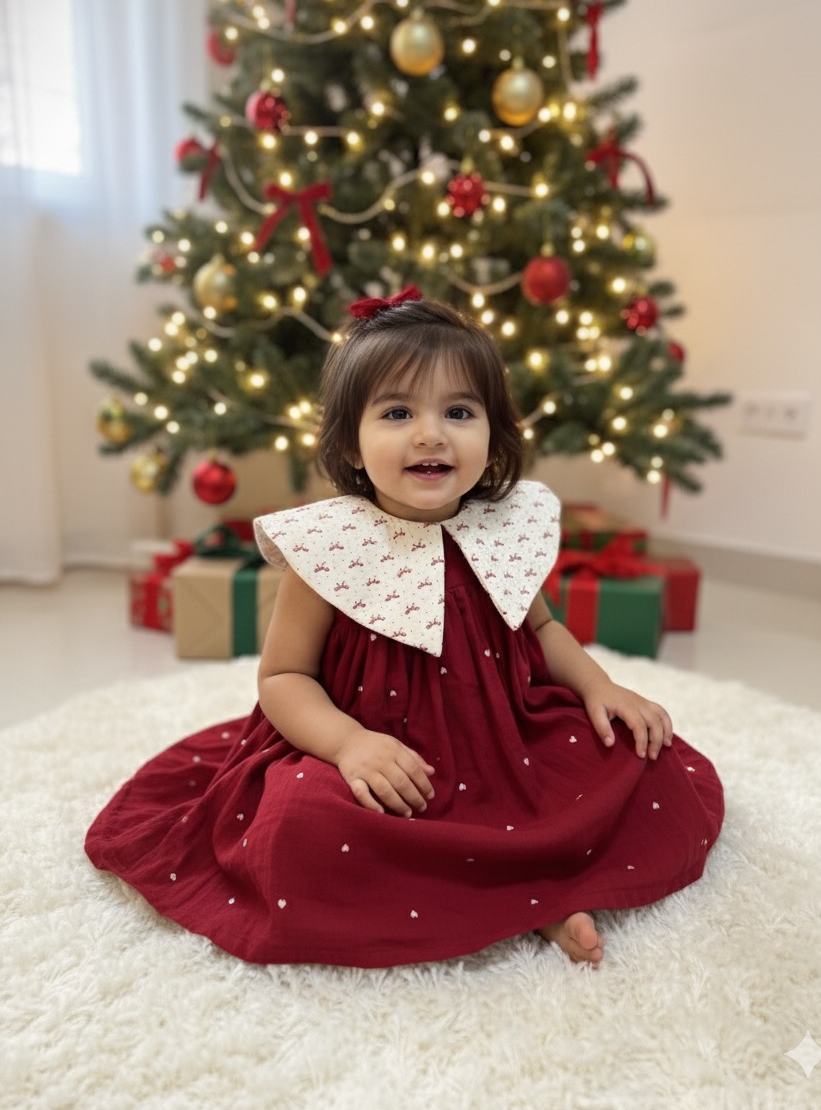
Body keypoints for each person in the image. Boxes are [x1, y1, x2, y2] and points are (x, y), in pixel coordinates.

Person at [86, 289, 724, 969]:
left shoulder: (501, 529)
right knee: (298, 823)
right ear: (351, 444)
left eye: (459, 412)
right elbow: (283, 677)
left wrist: (600, 687)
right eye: (397, 413)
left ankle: (535, 897)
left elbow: (540, 630)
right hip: (383, 762)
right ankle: (523, 896)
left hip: (506, 744)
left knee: (636, 754)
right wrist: (349, 745)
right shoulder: (331, 547)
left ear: (494, 434)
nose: (431, 434)